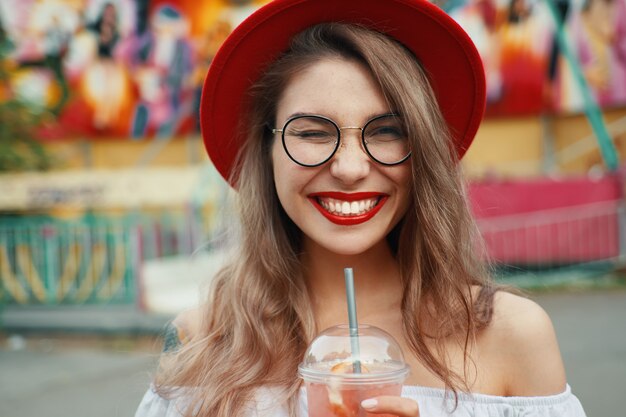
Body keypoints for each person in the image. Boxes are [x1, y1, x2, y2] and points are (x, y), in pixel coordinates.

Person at [135, 0, 587, 416]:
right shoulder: (201, 341)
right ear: (265, 150)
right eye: (311, 133)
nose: (350, 168)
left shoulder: (511, 335)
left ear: (423, 152)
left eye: (387, 131)